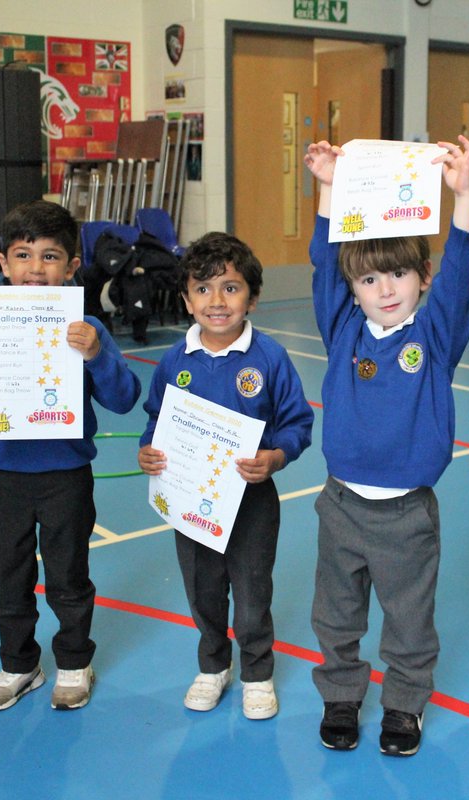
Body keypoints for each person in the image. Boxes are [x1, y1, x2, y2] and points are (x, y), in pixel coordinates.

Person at [0, 200, 141, 712]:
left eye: (50, 257)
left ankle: (74, 662)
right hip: (3, 476)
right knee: (6, 577)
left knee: (68, 577)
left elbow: (124, 399)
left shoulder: (87, 327)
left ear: (71, 267)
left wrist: (97, 355)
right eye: (23, 255)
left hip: (66, 475)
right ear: (4, 262)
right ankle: (19, 664)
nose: (36, 269)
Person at [302, 135, 469, 757]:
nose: (385, 288)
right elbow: (325, 264)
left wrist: (462, 197)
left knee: (409, 620)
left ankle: (404, 705)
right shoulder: (343, 329)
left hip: (407, 514)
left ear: (421, 277)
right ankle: (341, 696)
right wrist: (328, 186)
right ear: (353, 288)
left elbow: (459, 281)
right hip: (341, 505)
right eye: (369, 278)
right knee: (335, 615)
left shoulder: (434, 336)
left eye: (399, 273)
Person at [137, 232, 314, 720]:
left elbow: (298, 423)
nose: (216, 301)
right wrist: (148, 450)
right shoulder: (174, 361)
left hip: (252, 501)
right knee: (204, 590)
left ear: (252, 298)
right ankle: (213, 666)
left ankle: (257, 672)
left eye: (230, 288)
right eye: (203, 288)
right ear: (186, 299)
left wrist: (275, 457)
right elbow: (156, 418)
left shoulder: (270, 358)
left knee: (253, 593)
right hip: (190, 501)